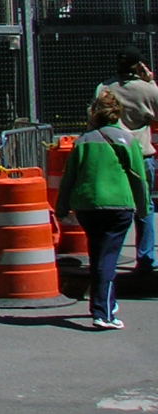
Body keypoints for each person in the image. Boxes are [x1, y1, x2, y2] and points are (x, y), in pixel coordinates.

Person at [57, 90, 149, 329]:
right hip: (118, 205)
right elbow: (139, 178)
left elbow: (69, 177)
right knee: (107, 258)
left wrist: (62, 206)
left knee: (98, 254)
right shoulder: (128, 140)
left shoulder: (84, 141)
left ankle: (104, 302)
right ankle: (103, 312)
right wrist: (143, 207)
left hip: (87, 205)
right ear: (117, 113)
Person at [93, 50, 158, 275]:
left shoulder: (104, 89)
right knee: (145, 206)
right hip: (142, 153)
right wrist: (150, 82)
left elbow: (95, 118)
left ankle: (108, 257)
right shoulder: (147, 89)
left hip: (113, 154)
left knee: (116, 206)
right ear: (138, 65)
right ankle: (146, 258)